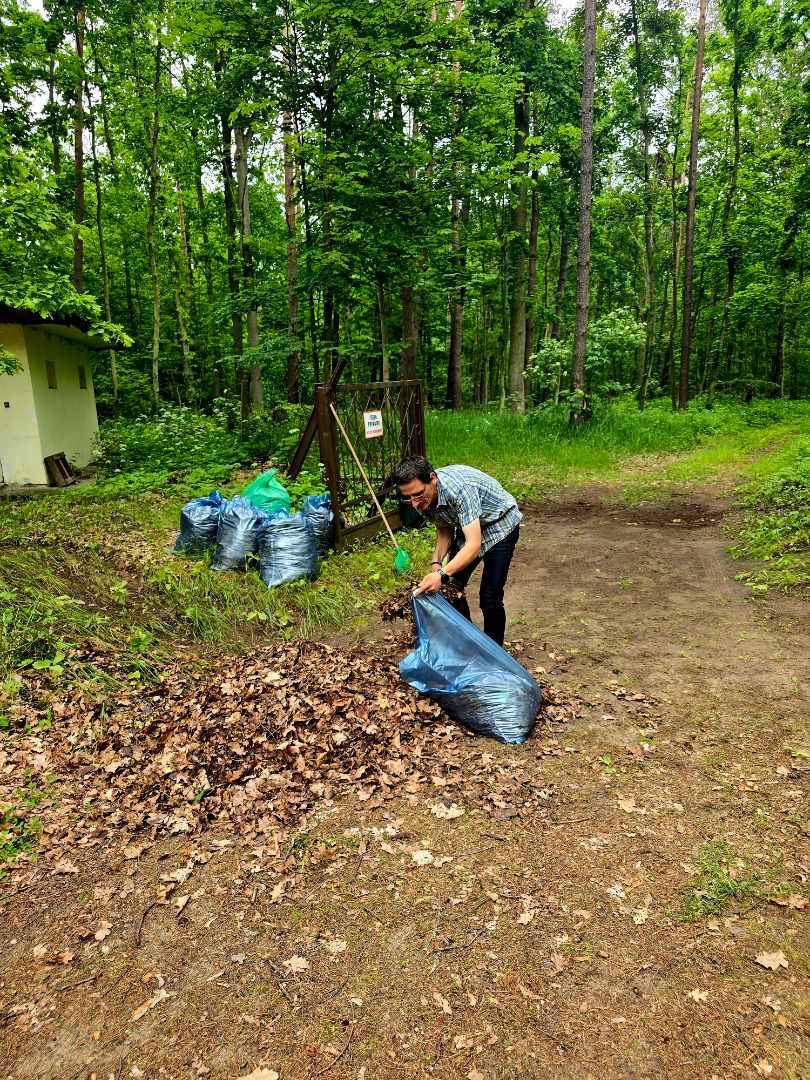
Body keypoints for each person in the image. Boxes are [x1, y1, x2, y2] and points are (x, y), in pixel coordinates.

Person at [390, 456, 522, 646]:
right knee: (451, 588)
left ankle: (494, 654)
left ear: (433, 479)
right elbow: (444, 528)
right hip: (468, 525)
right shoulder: (419, 499)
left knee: (490, 596)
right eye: (407, 496)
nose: (414, 503)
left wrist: (442, 574)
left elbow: (473, 544)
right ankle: (469, 644)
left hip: (500, 524)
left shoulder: (459, 490)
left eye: (417, 494)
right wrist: (436, 562)